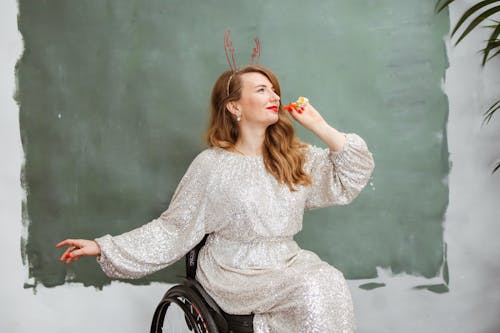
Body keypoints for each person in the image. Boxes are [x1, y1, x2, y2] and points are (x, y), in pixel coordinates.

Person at [57, 64, 374, 332]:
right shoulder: (211, 165)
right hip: (233, 271)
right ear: (235, 106)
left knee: (327, 281)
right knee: (311, 287)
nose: (274, 95)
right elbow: (173, 229)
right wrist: (104, 247)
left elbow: (351, 174)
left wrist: (319, 126)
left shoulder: (292, 157)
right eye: (261, 89)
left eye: (275, 90)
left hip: (286, 262)